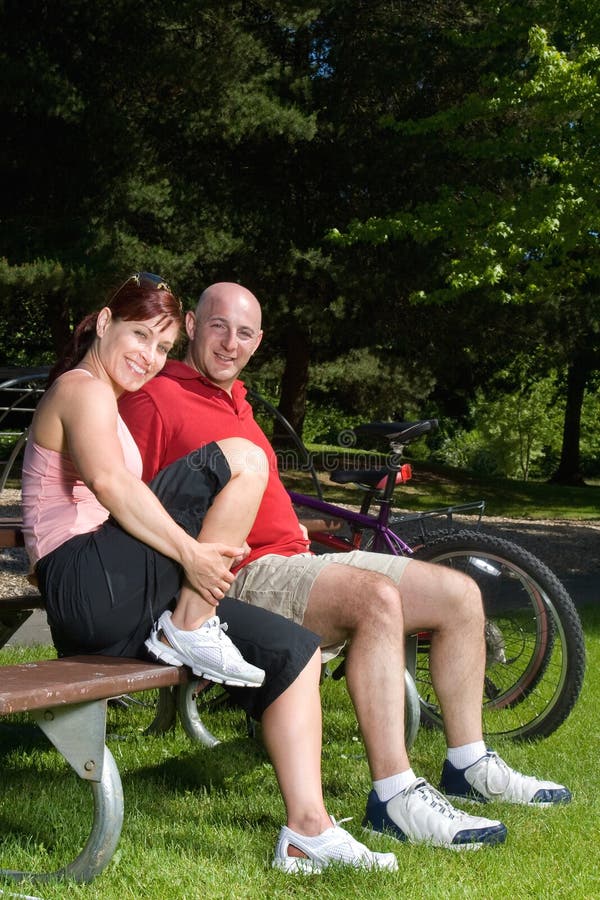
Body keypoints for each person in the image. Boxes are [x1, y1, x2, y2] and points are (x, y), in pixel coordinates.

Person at [120, 281, 572, 852]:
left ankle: (468, 763)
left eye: (244, 332)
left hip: (296, 558)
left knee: (460, 594)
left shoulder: (239, 402)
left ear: (258, 342)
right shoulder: (152, 398)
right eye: (217, 326)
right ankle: (394, 795)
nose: (229, 343)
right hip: (240, 574)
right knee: (374, 597)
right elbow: (127, 497)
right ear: (190, 325)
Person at [21, 272, 400, 875]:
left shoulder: (110, 402)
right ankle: (190, 626)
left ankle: (309, 831)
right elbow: (113, 486)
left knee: (294, 651)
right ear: (101, 322)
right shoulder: (81, 388)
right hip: (83, 584)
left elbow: (134, 498)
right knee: (243, 456)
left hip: (127, 598)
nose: (148, 356)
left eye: (162, 348)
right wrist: (193, 556)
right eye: (139, 335)